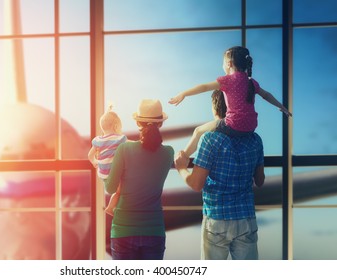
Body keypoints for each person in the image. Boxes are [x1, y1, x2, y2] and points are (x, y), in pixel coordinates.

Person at [174, 90, 265, 260]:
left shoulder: (209, 139)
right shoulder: (255, 140)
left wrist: (181, 168)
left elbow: (196, 184)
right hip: (246, 217)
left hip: (217, 218)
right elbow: (260, 181)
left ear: (215, 110)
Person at [169, 46, 291, 158]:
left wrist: (183, 94)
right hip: (251, 127)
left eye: (223, 63)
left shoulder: (227, 80)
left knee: (198, 131)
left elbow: (204, 87)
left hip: (234, 125)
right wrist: (281, 106)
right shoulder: (251, 82)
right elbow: (266, 95)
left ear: (229, 63)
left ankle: (183, 157)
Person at [104, 99, 174, 260]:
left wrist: (102, 168)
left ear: (138, 123)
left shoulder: (124, 149)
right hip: (154, 230)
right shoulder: (168, 153)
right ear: (161, 124)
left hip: (123, 230)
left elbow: (110, 188)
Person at [88, 105, 127, 216]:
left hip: (102, 173)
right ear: (115, 126)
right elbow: (129, 144)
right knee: (119, 191)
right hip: (113, 173)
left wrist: (95, 162)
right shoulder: (120, 138)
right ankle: (110, 208)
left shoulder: (98, 140)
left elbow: (90, 155)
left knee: (114, 190)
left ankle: (112, 207)